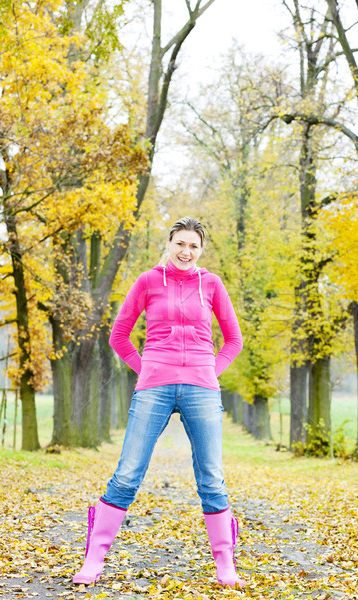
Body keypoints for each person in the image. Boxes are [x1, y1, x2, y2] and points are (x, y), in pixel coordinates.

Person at [73, 216, 244, 588]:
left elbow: (234, 340)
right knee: (128, 474)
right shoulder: (148, 281)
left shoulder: (212, 284)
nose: (186, 251)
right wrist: (145, 367)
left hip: (201, 386)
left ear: (202, 250)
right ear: (169, 244)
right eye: (180, 243)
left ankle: (225, 563)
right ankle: (94, 558)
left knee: (212, 478)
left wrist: (211, 372)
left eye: (193, 246)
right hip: (155, 386)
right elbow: (120, 336)